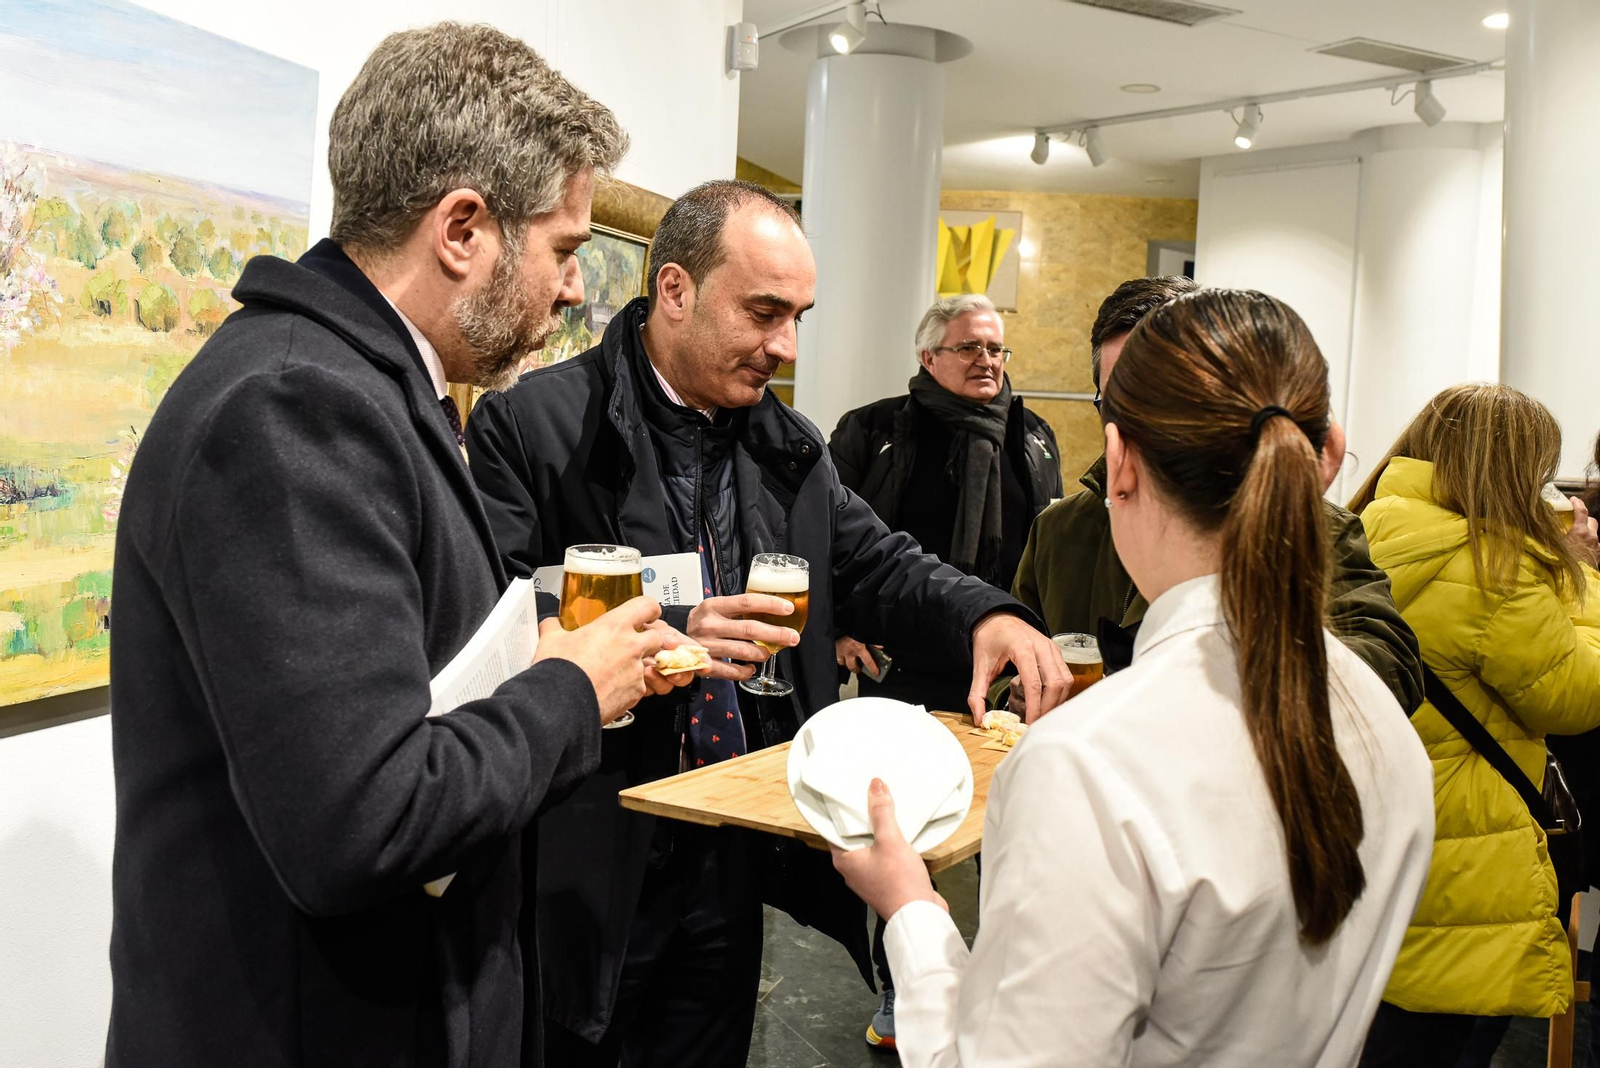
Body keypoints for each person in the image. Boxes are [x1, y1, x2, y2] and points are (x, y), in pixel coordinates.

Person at [106, 24, 698, 1068]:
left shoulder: (358, 388)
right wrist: (570, 688)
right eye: (564, 249)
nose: (574, 289)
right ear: (463, 228)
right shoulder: (293, 406)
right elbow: (360, 820)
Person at [465, 178, 1068, 1068]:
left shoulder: (786, 440)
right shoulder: (534, 425)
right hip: (594, 845)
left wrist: (988, 613)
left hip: (733, 836)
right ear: (674, 290)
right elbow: (498, 619)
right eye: (763, 312)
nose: (783, 346)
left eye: (798, 317)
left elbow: (877, 559)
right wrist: (671, 627)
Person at [833, 287, 1436, 1067]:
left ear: (1118, 463)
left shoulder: (1090, 765)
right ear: (1324, 453)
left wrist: (910, 906)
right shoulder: (1380, 723)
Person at [995, 275, 1424, 717]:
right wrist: (1018, 691)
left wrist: (1219, 693)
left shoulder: (1310, 525)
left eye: (1166, 403)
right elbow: (1011, 657)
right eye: (1123, 404)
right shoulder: (1059, 530)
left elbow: (1391, 667)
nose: (1145, 429)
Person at [1348, 384, 1600, 1068]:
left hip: (1384, 831)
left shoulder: (1369, 527)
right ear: (1507, 471)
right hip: (1470, 855)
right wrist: (1582, 581)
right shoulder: (1495, 567)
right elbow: (1578, 695)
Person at [829, 293, 1064, 714]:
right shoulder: (870, 429)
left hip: (1002, 662)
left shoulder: (1033, 435)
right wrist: (841, 629)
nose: (986, 359)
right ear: (928, 357)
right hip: (901, 655)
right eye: (969, 347)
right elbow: (832, 538)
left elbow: (1048, 551)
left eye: (995, 349)